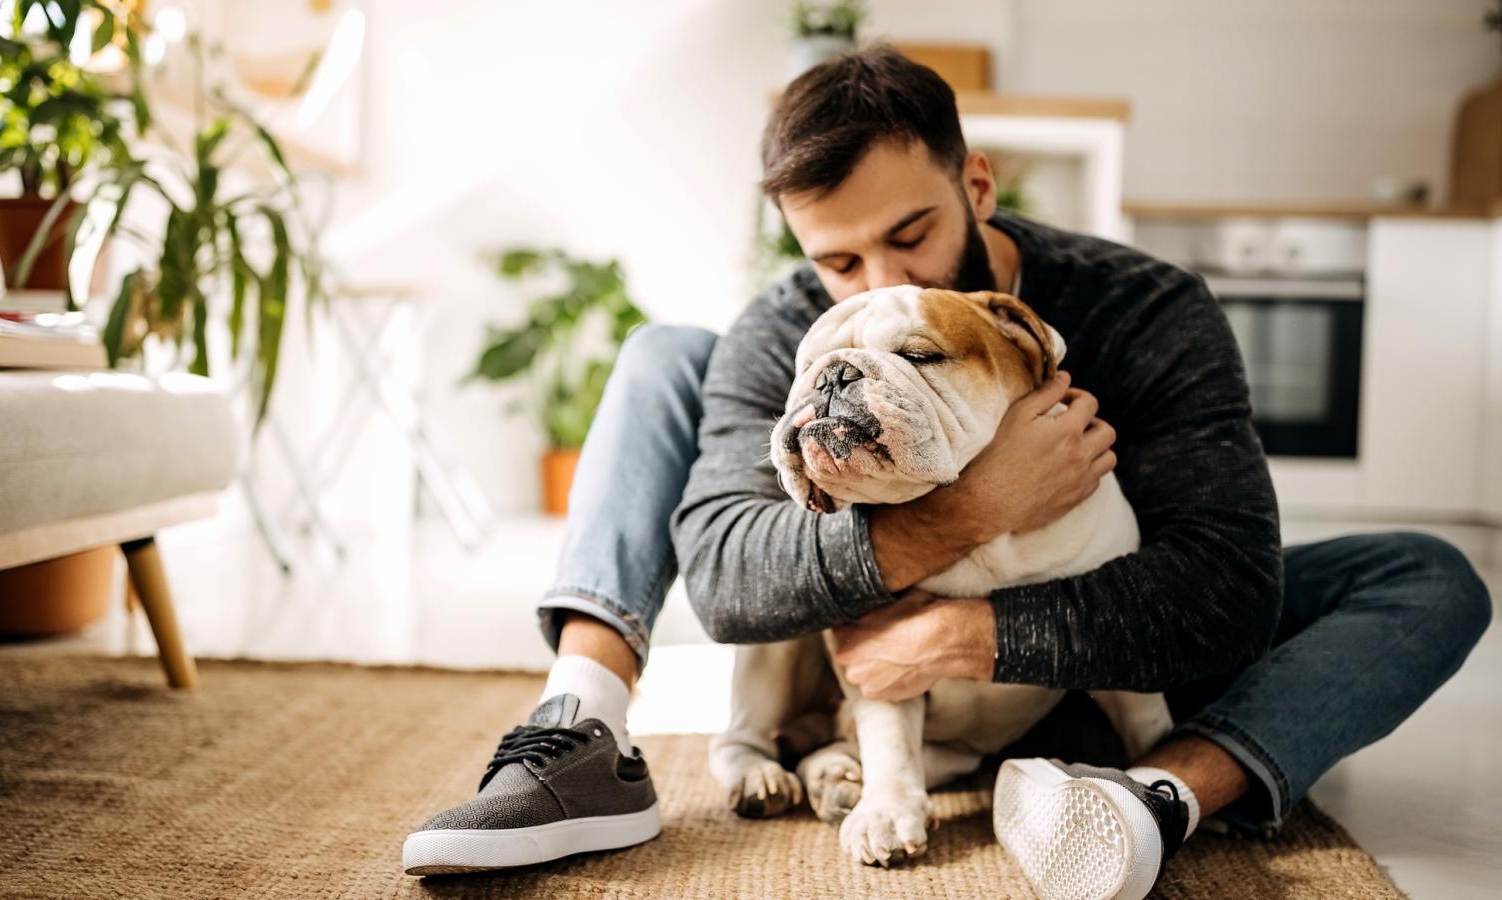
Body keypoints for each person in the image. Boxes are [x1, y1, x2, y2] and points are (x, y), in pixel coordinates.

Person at [402, 44, 1492, 898]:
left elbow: (1224, 595)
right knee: (659, 353)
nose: (877, 279)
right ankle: (579, 725)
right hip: (898, 686)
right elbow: (730, 583)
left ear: (975, 183)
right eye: (837, 262)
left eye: (910, 234)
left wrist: (973, 637)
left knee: (1429, 575)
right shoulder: (788, 328)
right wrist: (972, 510)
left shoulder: (1145, 308)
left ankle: (1156, 794)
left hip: (1117, 660)